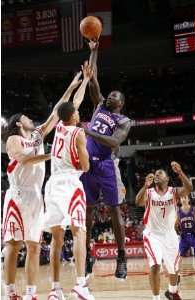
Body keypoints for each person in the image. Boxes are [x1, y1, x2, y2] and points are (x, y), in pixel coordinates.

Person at [1, 71, 83, 300]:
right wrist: (52, 157)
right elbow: (24, 159)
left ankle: (30, 294)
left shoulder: (37, 136)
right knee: (14, 245)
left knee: (34, 246)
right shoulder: (13, 139)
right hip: (17, 196)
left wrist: (71, 86)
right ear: (19, 123)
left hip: (35, 196)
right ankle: (9, 293)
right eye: (26, 117)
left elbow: (55, 115)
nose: (31, 119)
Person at [44, 62, 95, 300]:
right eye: (76, 112)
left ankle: (55, 290)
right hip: (69, 184)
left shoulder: (58, 128)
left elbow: (68, 105)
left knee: (56, 237)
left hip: (52, 184)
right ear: (72, 116)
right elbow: (85, 166)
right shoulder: (78, 132)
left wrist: (82, 82)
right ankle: (80, 285)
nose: (78, 112)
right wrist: (85, 157)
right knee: (79, 233)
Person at [81, 40, 131, 279]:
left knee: (114, 210)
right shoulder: (99, 105)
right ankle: (88, 255)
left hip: (105, 164)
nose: (110, 95)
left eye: (114, 95)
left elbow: (114, 143)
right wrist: (94, 50)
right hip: (86, 164)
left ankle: (122, 258)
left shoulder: (123, 121)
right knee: (88, 211)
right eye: (109, 93)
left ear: (120, 103)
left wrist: (89, 130)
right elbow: (93, 79)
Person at [135, 162, 193, 300]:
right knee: (155, 265)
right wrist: (144, 186)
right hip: (152, 234)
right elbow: (137, 202)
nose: (157, 175)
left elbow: (189, 188)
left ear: (167, 179)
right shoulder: (149, 193)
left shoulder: (174, 192)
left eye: (160, 174)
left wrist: (180, 172)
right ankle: (156, 298)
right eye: (155, 174)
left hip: (169, 235)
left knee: (174, 268)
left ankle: (172, 292)